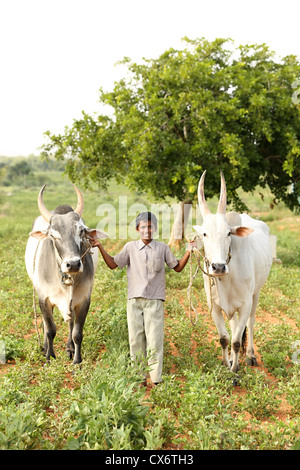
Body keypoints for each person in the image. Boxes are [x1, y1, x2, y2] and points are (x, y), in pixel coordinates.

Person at [90, 211, 193, 387]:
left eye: (151, 226)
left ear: (155, 229)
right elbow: (113, 264)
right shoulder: (130, 247)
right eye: (143, 227)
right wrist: (99, 246)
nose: (147, 230)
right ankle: (138, 377)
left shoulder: (163, 248)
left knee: (154, 339)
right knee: (135, 339)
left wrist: (189, 251)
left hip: (155, 300)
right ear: (138, 229)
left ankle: (156, 379)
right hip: (134, 300)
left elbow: (177, 268)